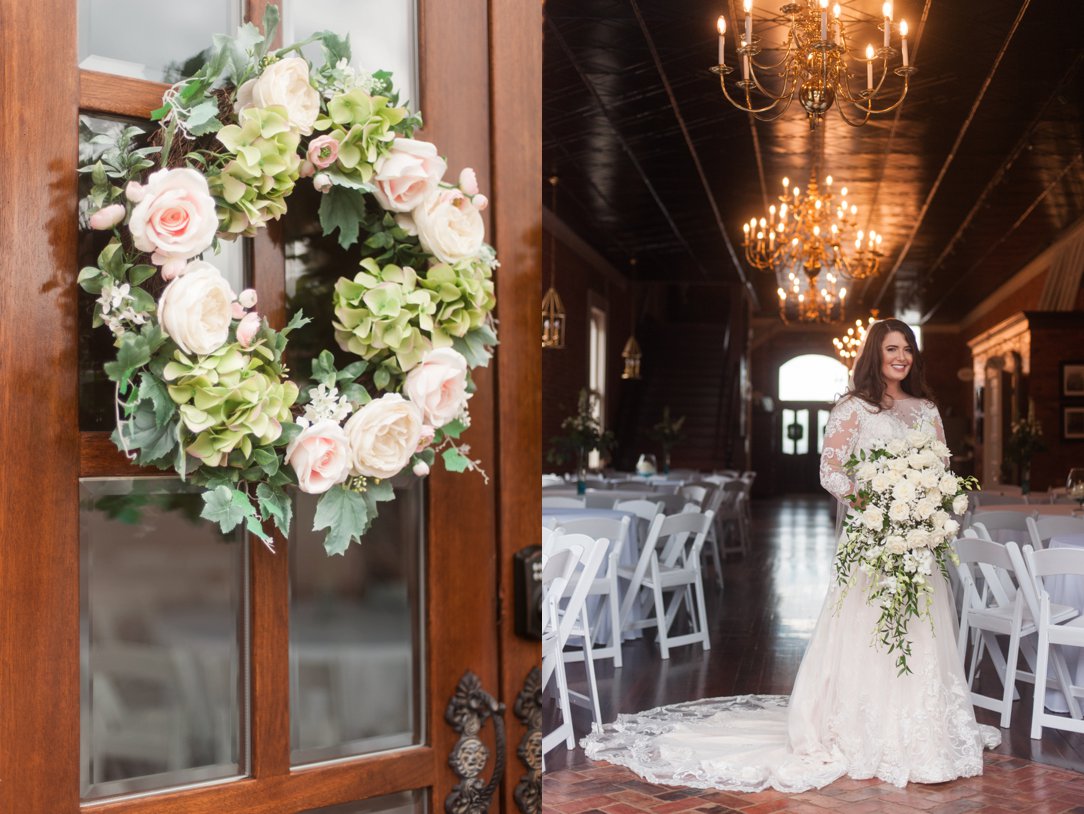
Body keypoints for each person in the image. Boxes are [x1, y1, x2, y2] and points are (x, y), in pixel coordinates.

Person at [581, 319, 1000, 792]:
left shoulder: (927, 409)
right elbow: (831, 471)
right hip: (873, 537)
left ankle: (925, 731)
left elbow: (942, 468)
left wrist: (925, 506)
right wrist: (876, 504)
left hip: (917, 542)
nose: (900, 357)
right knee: (868, 626)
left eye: (907, 349)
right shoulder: (853, 408)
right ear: (874, 354)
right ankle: (859, 728)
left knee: (922, 628)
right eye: (891, 349)